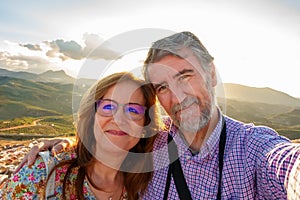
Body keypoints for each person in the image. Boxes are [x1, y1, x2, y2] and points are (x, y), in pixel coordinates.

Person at [15, 31, 300, 199]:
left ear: (211, 73)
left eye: (186, 76)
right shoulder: (151, 149)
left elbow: (284, 164)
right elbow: (112, 135)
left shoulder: (251, 149)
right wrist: (63, 143)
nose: (177, 96)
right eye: (163, 86)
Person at [0, 72, 159, 199]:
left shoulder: (142, 186)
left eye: (133, 110)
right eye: (108, 106)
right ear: (91, 118)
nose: (118, 119)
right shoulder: (43, 172)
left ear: (145, 126)